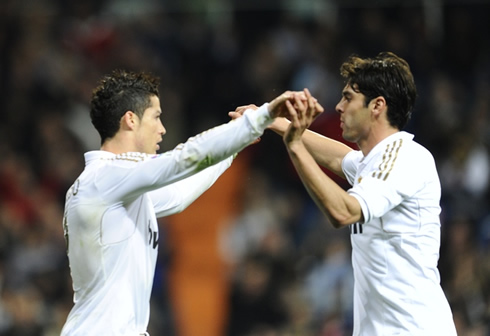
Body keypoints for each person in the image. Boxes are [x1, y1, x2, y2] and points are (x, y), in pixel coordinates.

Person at [60, 69, 306, 335]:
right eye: (156, 117)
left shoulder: (111, 186)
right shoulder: (107, 177)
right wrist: (259, 118)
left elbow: (177, 196)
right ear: (130, 119)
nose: (162, 129)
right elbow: (183, 158)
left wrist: (232, 149)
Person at [235, 52, 457, 335]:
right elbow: (339, 158)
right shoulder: (373, 161)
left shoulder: (405, 157)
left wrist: (295, 147)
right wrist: (271, 122)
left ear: (377, 106)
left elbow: (344, 212)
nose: (338, 107)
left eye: (349, 97)